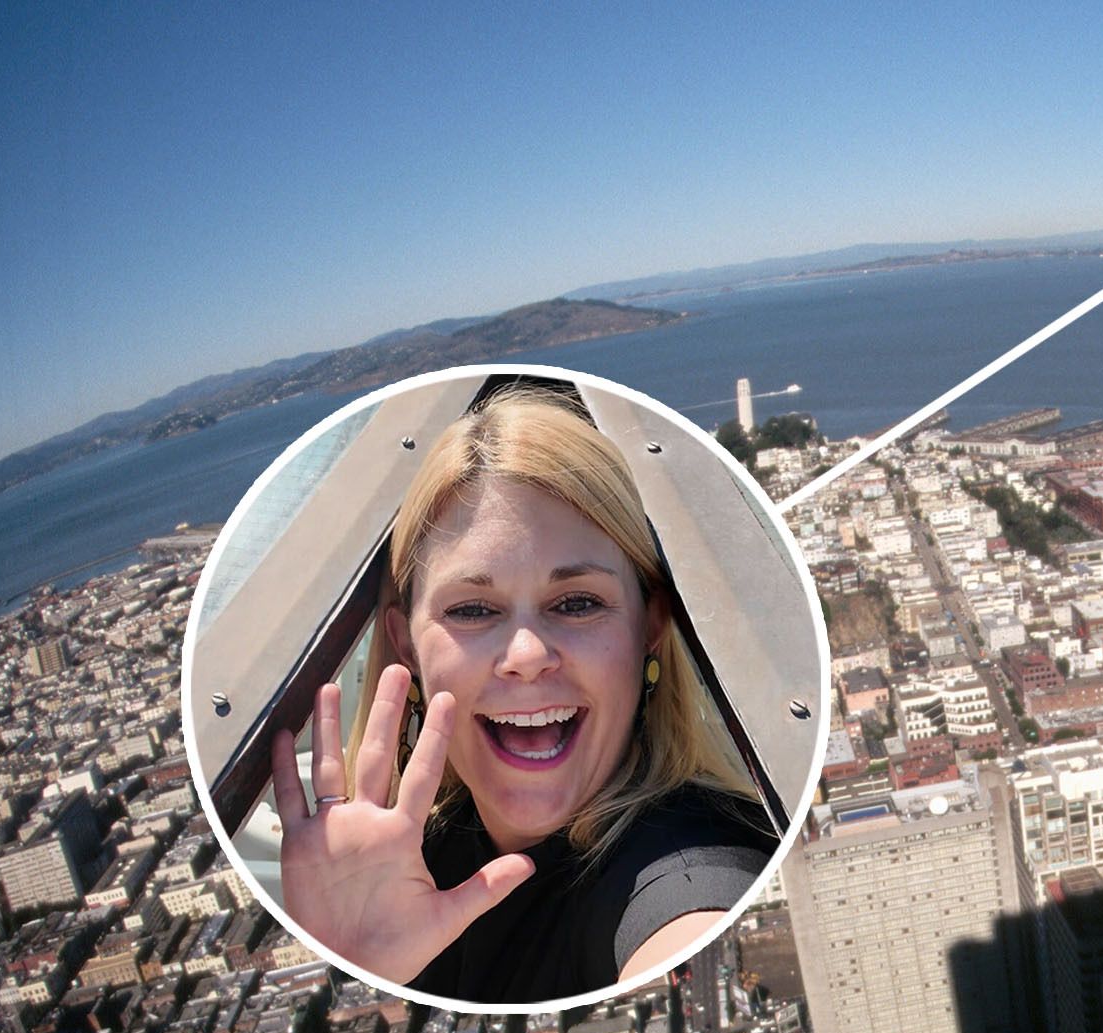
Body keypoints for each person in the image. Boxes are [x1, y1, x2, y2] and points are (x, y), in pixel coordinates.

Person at [269, 385, 776, 1002]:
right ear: (406, 645)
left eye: (578, 602)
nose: (528, 655)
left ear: (650, 625)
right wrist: (354, 968)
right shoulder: (404, 856)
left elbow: (693, 914)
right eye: (474, 609)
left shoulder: (692, 866)